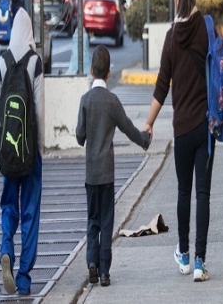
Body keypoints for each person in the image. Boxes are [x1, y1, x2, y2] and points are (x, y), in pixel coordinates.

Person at [144, 0, 215, 282]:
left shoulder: (172, 37)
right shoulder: (205, 28)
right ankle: (200, 262)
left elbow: (161, 86)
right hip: (205, 125)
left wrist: (148, 123)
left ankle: (184, 256)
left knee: (184, 192)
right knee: (203, 194)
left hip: (182, 129)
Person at [75, 45, 150, 287]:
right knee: (107, 222)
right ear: (109, 73)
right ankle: (105, 270)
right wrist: (144, 139)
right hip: (107, 174)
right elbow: (128, 127)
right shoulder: (112, 101)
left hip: (89, 174)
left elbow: (80, 136)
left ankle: (92, 264)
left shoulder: (85, 100)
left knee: (92, 221)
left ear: (91, 70)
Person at [0, 7, 44, 295]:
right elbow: (39, 110)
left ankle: (5, 248)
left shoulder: (1, 61)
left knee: (9, 204)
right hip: (30, 150)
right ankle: (23, 277)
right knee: (31, 211)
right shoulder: (35, 62)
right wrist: (40, 147)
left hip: (8, 151)